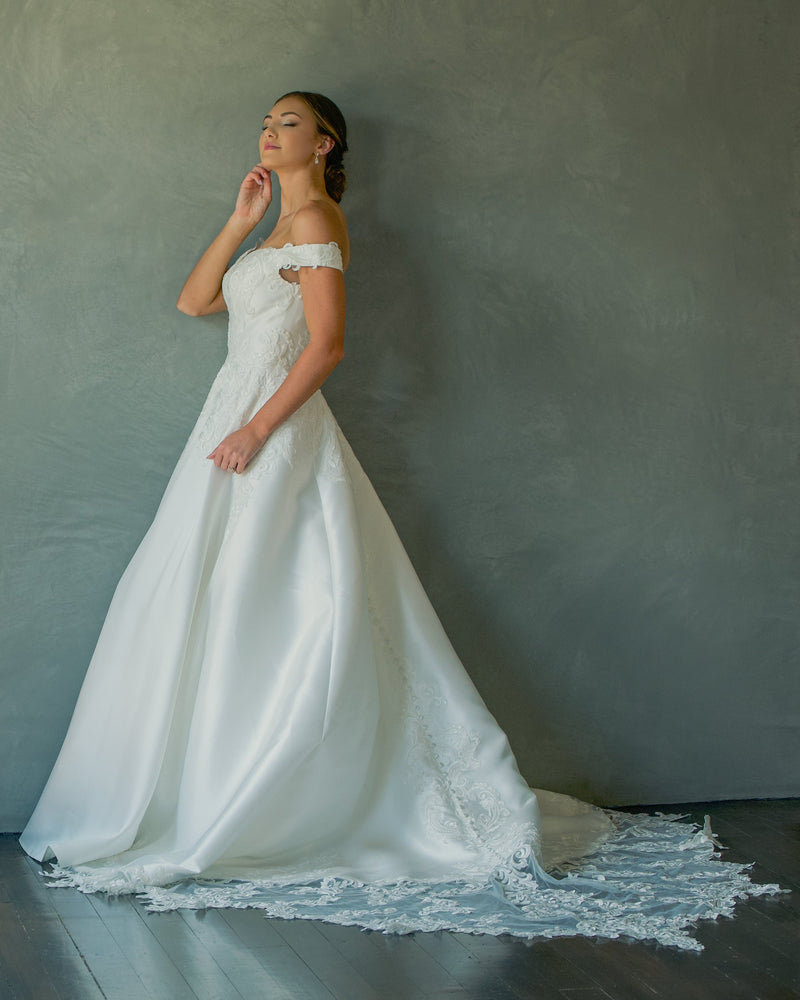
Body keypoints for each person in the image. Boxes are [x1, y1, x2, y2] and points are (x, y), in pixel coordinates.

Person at [19, 91, 785, 951]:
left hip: (265, 430)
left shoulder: (320, 217)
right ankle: (206, 791)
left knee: (270, 602)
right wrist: (239, 223)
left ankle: (274, 798)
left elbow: (327, 346)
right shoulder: (278, 217)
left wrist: (258, 430)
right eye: (266, 123)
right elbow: (197, 304)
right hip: (227, 423)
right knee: (202, 597)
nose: (270, 133)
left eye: (288, 124)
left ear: (326, 140)